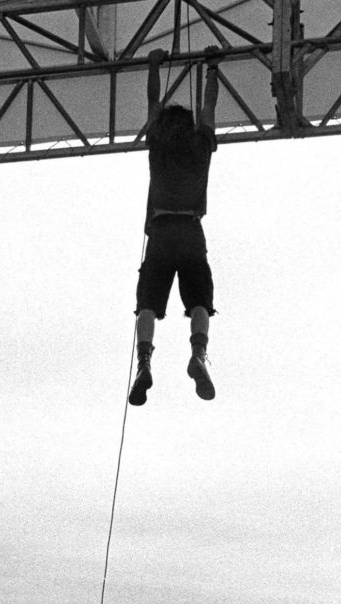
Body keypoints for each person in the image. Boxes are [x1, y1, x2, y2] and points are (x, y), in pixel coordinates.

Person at [128, 46, 221, 407]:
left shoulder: (157, 144)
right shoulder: (200, 145)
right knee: (200, 299)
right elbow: (209, 107)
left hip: (162, 230)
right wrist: (211, 67)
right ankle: (198, 353)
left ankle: (144, 362)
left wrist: (154, 65)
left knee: (148, 303)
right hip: (190, 230)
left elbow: (153, 99)